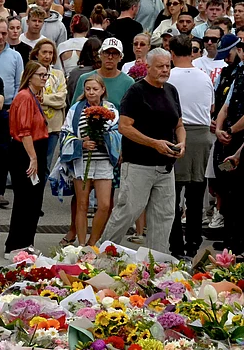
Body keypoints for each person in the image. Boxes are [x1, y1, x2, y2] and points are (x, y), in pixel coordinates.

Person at [103, 49, 185, 253]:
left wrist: (182, 143)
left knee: (164, 216)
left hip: (166, 167)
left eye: (167, 66)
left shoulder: (172, 90)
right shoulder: (136, 91)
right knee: (128, 211)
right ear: (148, 67)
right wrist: (153, 143)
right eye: (160, 66)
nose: (165, 70)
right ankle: (101, 253)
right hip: (138, 164)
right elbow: (124, 127)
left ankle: (155, 262)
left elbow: (179, 125)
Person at [58, 75, 121, 246]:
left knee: (104, 204)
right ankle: (81, 244)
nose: (91, 92)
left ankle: (92, 242)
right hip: (82, 160)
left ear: (102, 90)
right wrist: (81, 143)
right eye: (88, 89)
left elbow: (118, 132)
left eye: (95, 89)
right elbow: (66, 133)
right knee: (82, 204)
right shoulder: (76, 109)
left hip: (104, 160)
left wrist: (104, 139)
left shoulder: (111, 109)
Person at [167, 34, 215, 258]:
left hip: (178, 132)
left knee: (173, 193)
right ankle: (194, 242)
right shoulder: (204, 77)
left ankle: (176, 244)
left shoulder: (169, 76)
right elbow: (211, 106)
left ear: (172, 53)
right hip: (201, 135)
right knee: (196, 193)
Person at [4, 62, 52, 259]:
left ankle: (26, 242)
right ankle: (16, 244)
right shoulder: (24, 97)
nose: (44, 78)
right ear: (30, 76)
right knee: (25, 199)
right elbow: (24, 132)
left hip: (34, 148)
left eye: (46, 75)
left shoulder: (32, 96)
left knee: (33, 200)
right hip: (26, 151)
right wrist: (33, 158)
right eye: (41, 75)